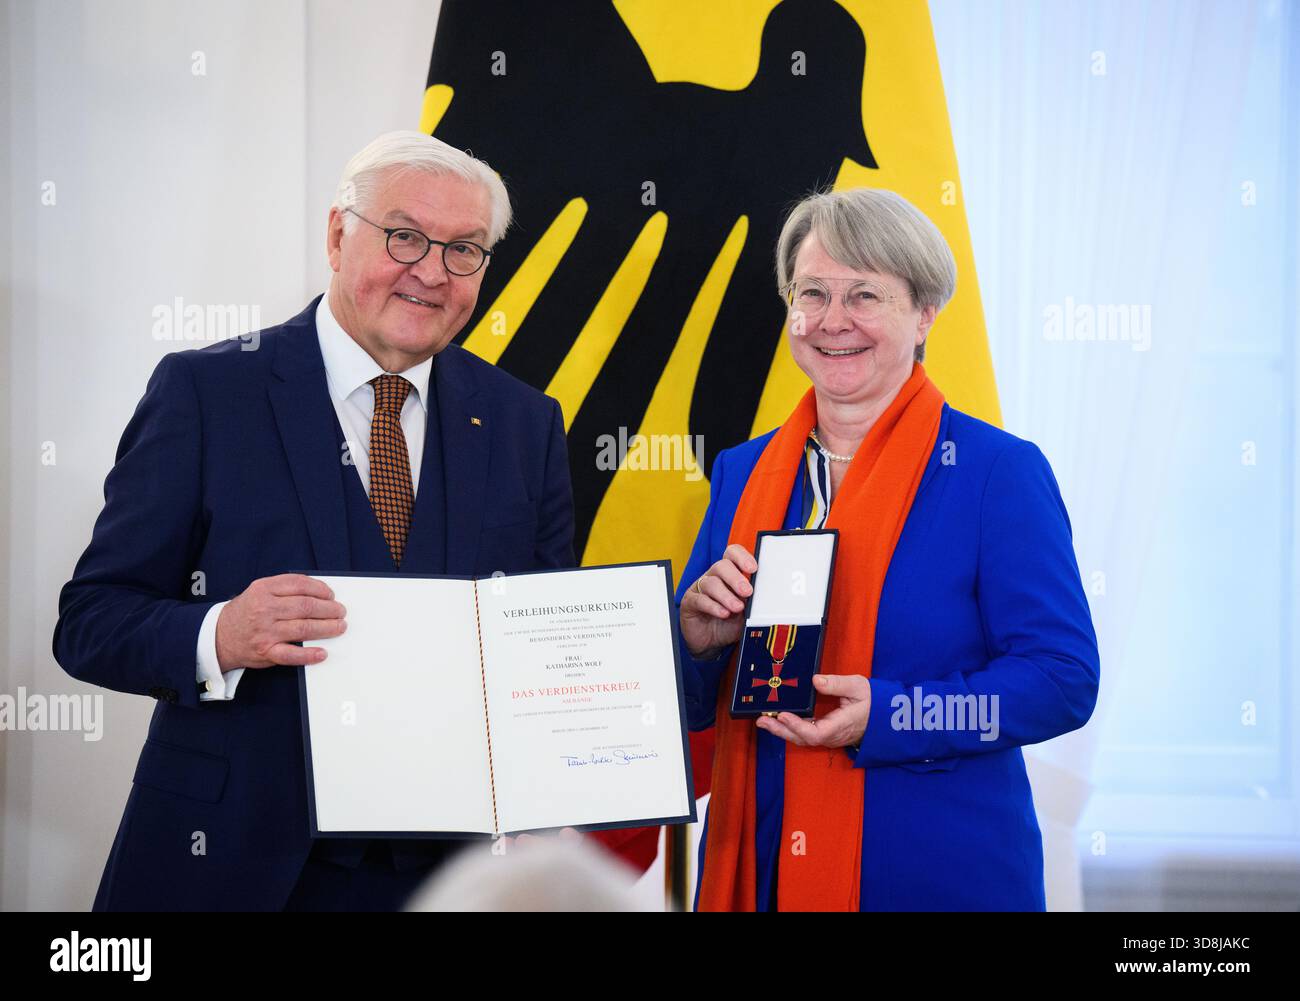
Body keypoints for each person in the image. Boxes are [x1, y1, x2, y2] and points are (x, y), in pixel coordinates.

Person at [53, 131, 575, 911]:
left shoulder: (524, 422)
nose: (432, 271)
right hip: (228, 865)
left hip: (449, 878)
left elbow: (547, 645)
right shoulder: (206, 392)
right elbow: (90, 622)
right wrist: (220, 633)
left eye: (464, 250)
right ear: (338, 234)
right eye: (405, 236)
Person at [676, 187, 1100, 911]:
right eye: (813, 293)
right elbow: (690, 703)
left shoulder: (998, 471)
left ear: (924, 314)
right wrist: (698, 639)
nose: (833, 321)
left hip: (936, 873)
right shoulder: (741, 473)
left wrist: (897, 714)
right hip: (764, 865)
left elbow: (1061, 680)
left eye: (865, 295)